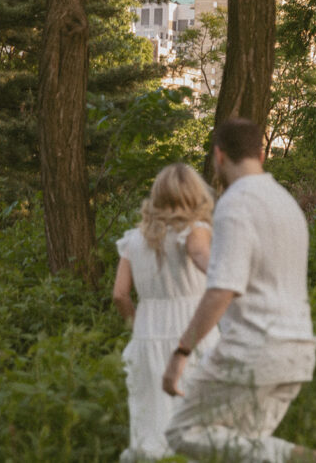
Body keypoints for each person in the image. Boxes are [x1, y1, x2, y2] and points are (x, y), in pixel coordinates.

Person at [163, 117, 316, 462]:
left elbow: (222, 290)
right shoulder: (286, 203)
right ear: (261, 155)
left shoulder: (235, 204)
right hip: (298, 352)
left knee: (181, 432)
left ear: (219, 156)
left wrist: (181, 353)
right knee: (242, 449)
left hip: (255, 349)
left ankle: (311, 458)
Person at [112, 163, 220, 462]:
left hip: (147, 337)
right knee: (199, 426)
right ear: (194, 195)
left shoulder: (134, 239)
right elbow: (202, 258)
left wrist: (139, 327)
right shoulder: (196, 231)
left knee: (150, 428)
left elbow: (120, 294)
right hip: (194, 334)